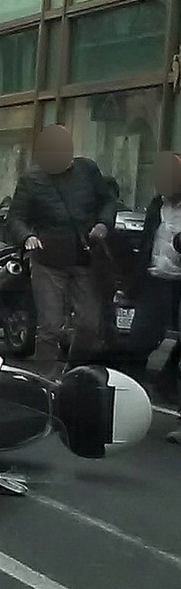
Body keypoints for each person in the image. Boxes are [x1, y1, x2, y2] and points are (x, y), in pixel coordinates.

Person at [7, 125, 117, 376]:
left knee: (90, 324)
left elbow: (108, 199)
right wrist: (28, 237)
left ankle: (75, 368)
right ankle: (43, 380)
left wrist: (103, 223)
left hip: (85, 256)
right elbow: (16, 218)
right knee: (50, 327)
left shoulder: (87, 170)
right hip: (49, 258)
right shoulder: (31, 180)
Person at [120, 152, 181, 442]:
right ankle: (131, 402)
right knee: (140, 340)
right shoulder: (157, 206)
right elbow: (146, 242)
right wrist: (133, 283)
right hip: (156, 280)